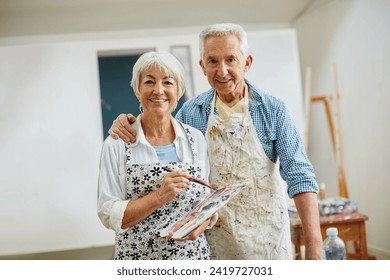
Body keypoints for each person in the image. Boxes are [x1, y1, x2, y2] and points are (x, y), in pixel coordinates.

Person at [108, 23, 323, 260]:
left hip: (267, 242)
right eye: (212, 61)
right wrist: (127, 122)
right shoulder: (191, 113)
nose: (222, 71)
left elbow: (300, 175)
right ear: (202, 66)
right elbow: (158, 130)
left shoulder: (273, 110)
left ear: (247, 62)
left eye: (231, 59)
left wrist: (315, 248)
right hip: (215, 245)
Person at [97, 51, 213, 260]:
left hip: (192, 259)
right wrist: (160, 196)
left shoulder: (195, 139)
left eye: (168, 82)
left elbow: (208, 202)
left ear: (178, 91)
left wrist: (201, 224)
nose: (158, 90)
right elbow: (108, 213)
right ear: (137, 90)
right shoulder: (117, 143)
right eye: (149, 82)